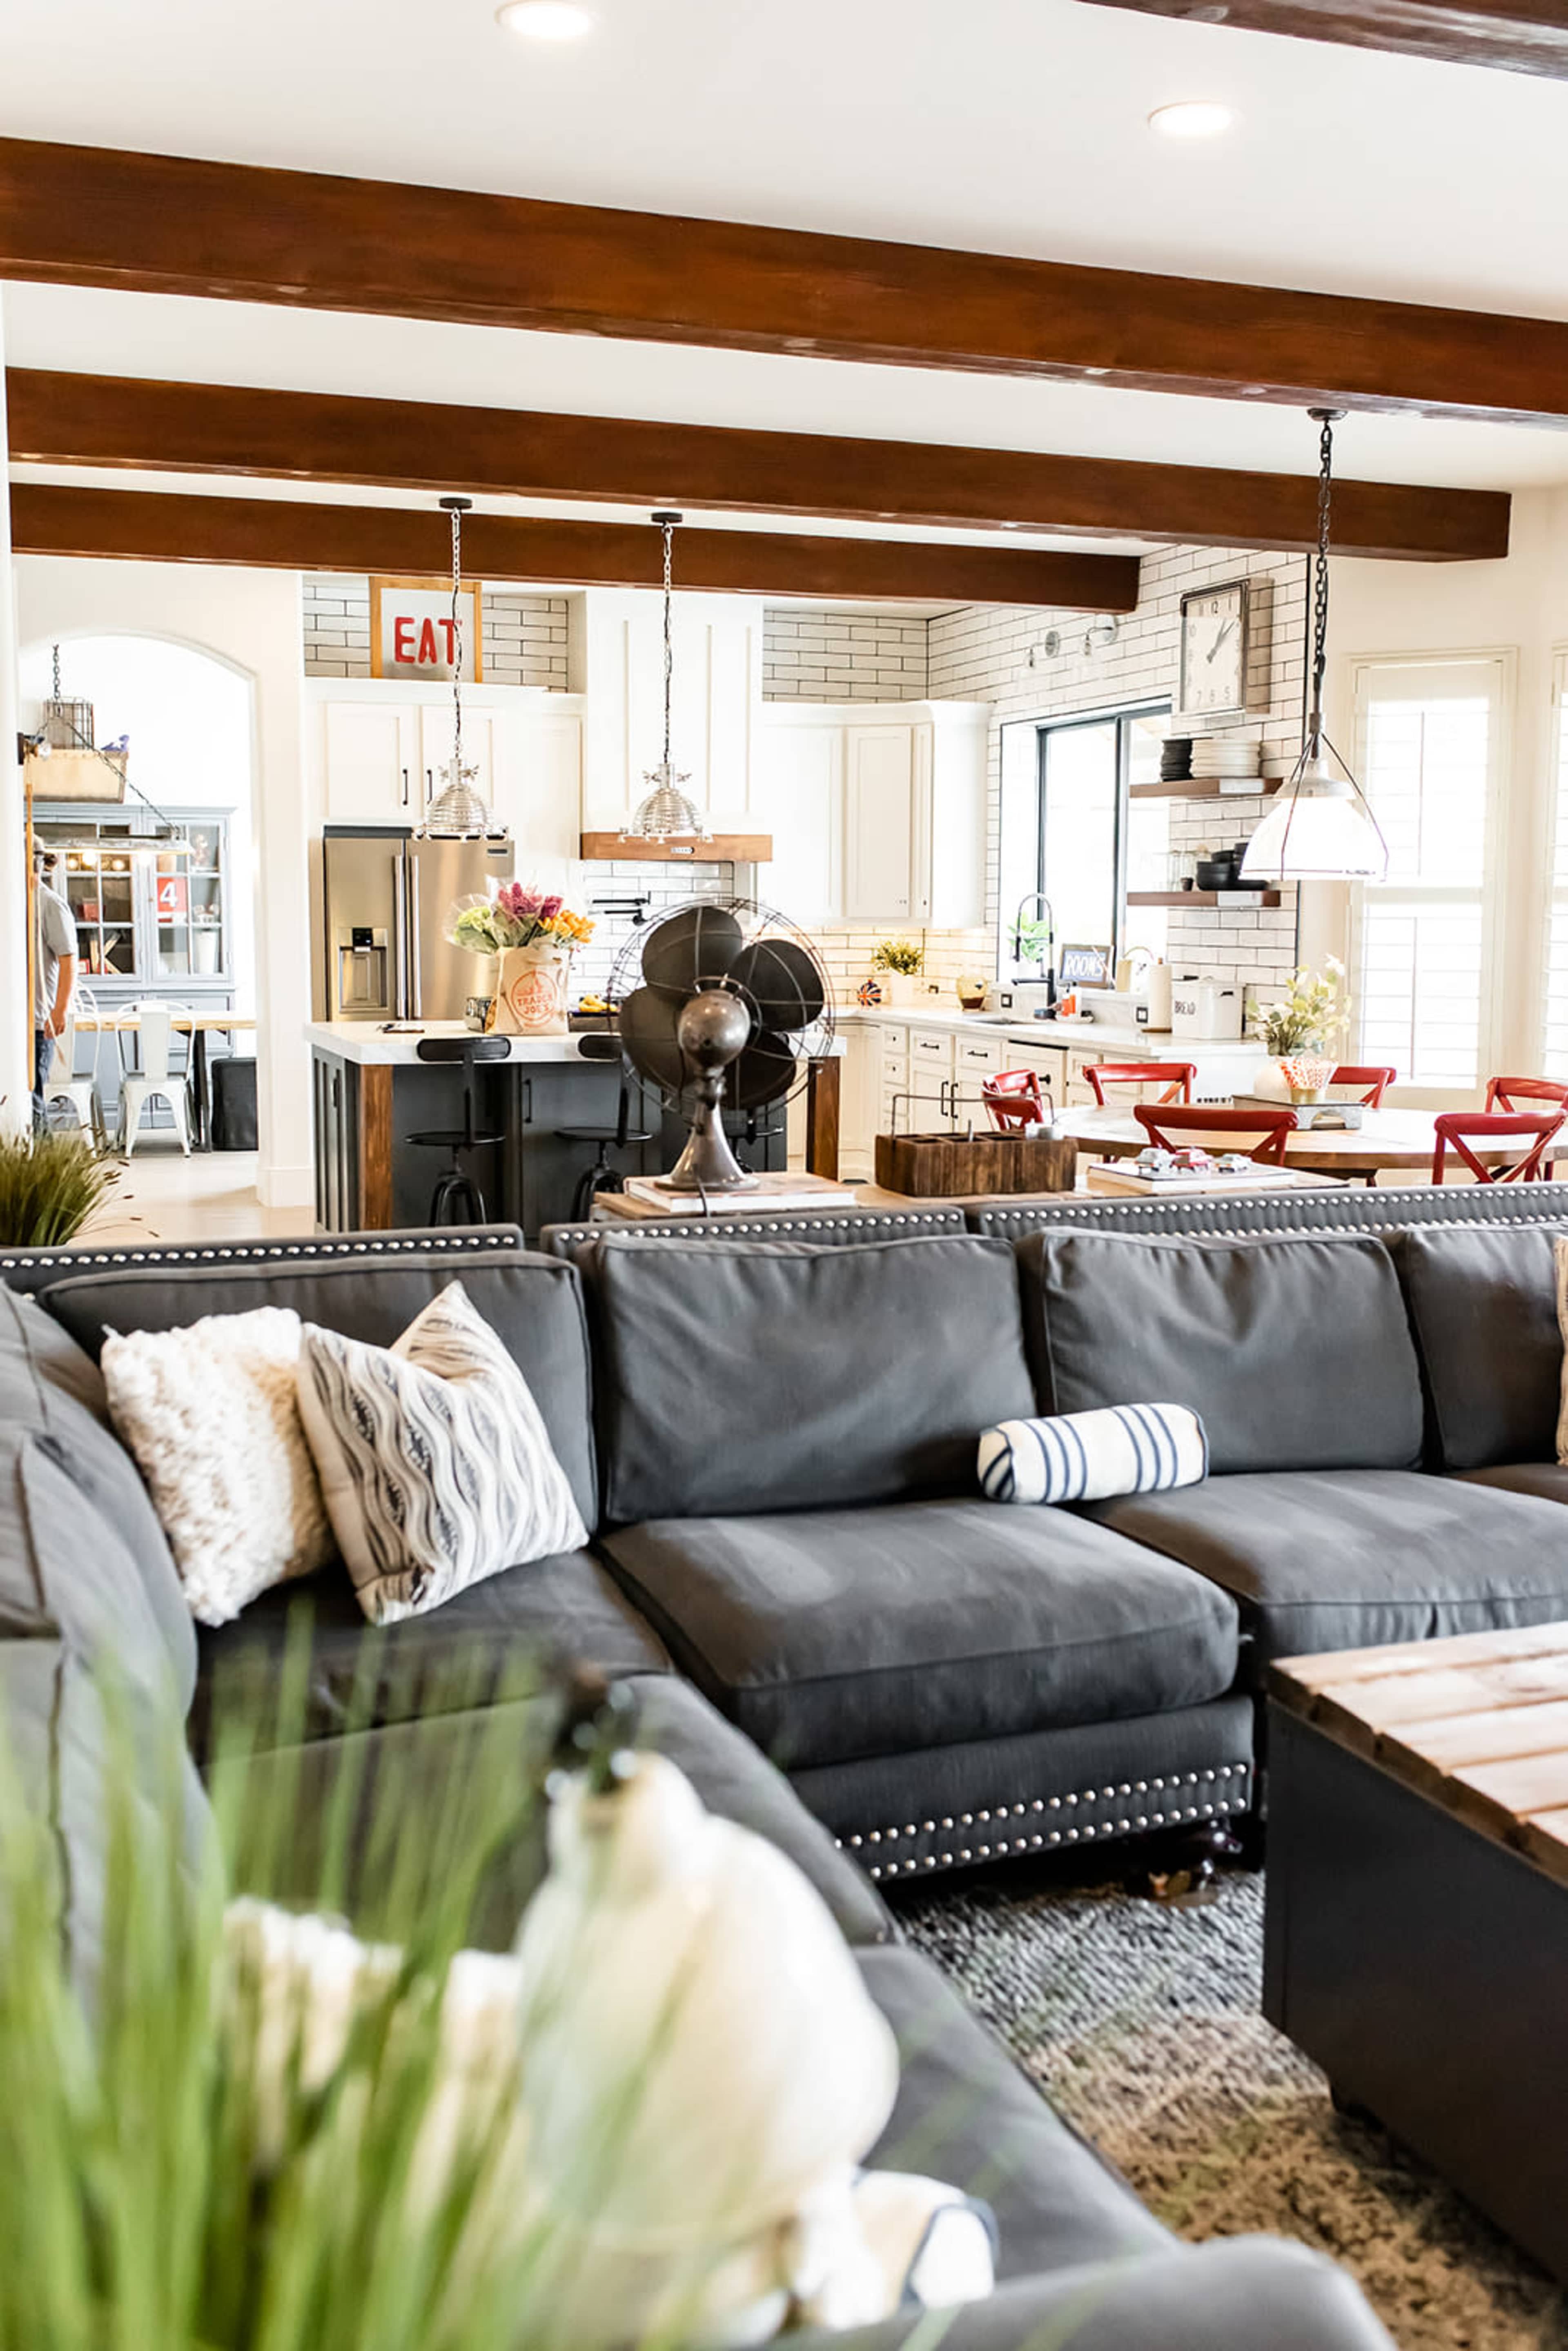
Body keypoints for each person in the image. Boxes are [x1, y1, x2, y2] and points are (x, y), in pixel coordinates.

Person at [33, 850, 78, 1130]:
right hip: (17, 1021)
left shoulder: (49, 904)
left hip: (40, 1020)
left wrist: (60, 1009)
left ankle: (39, 1170)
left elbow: (68, 957)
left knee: (32, 1099)